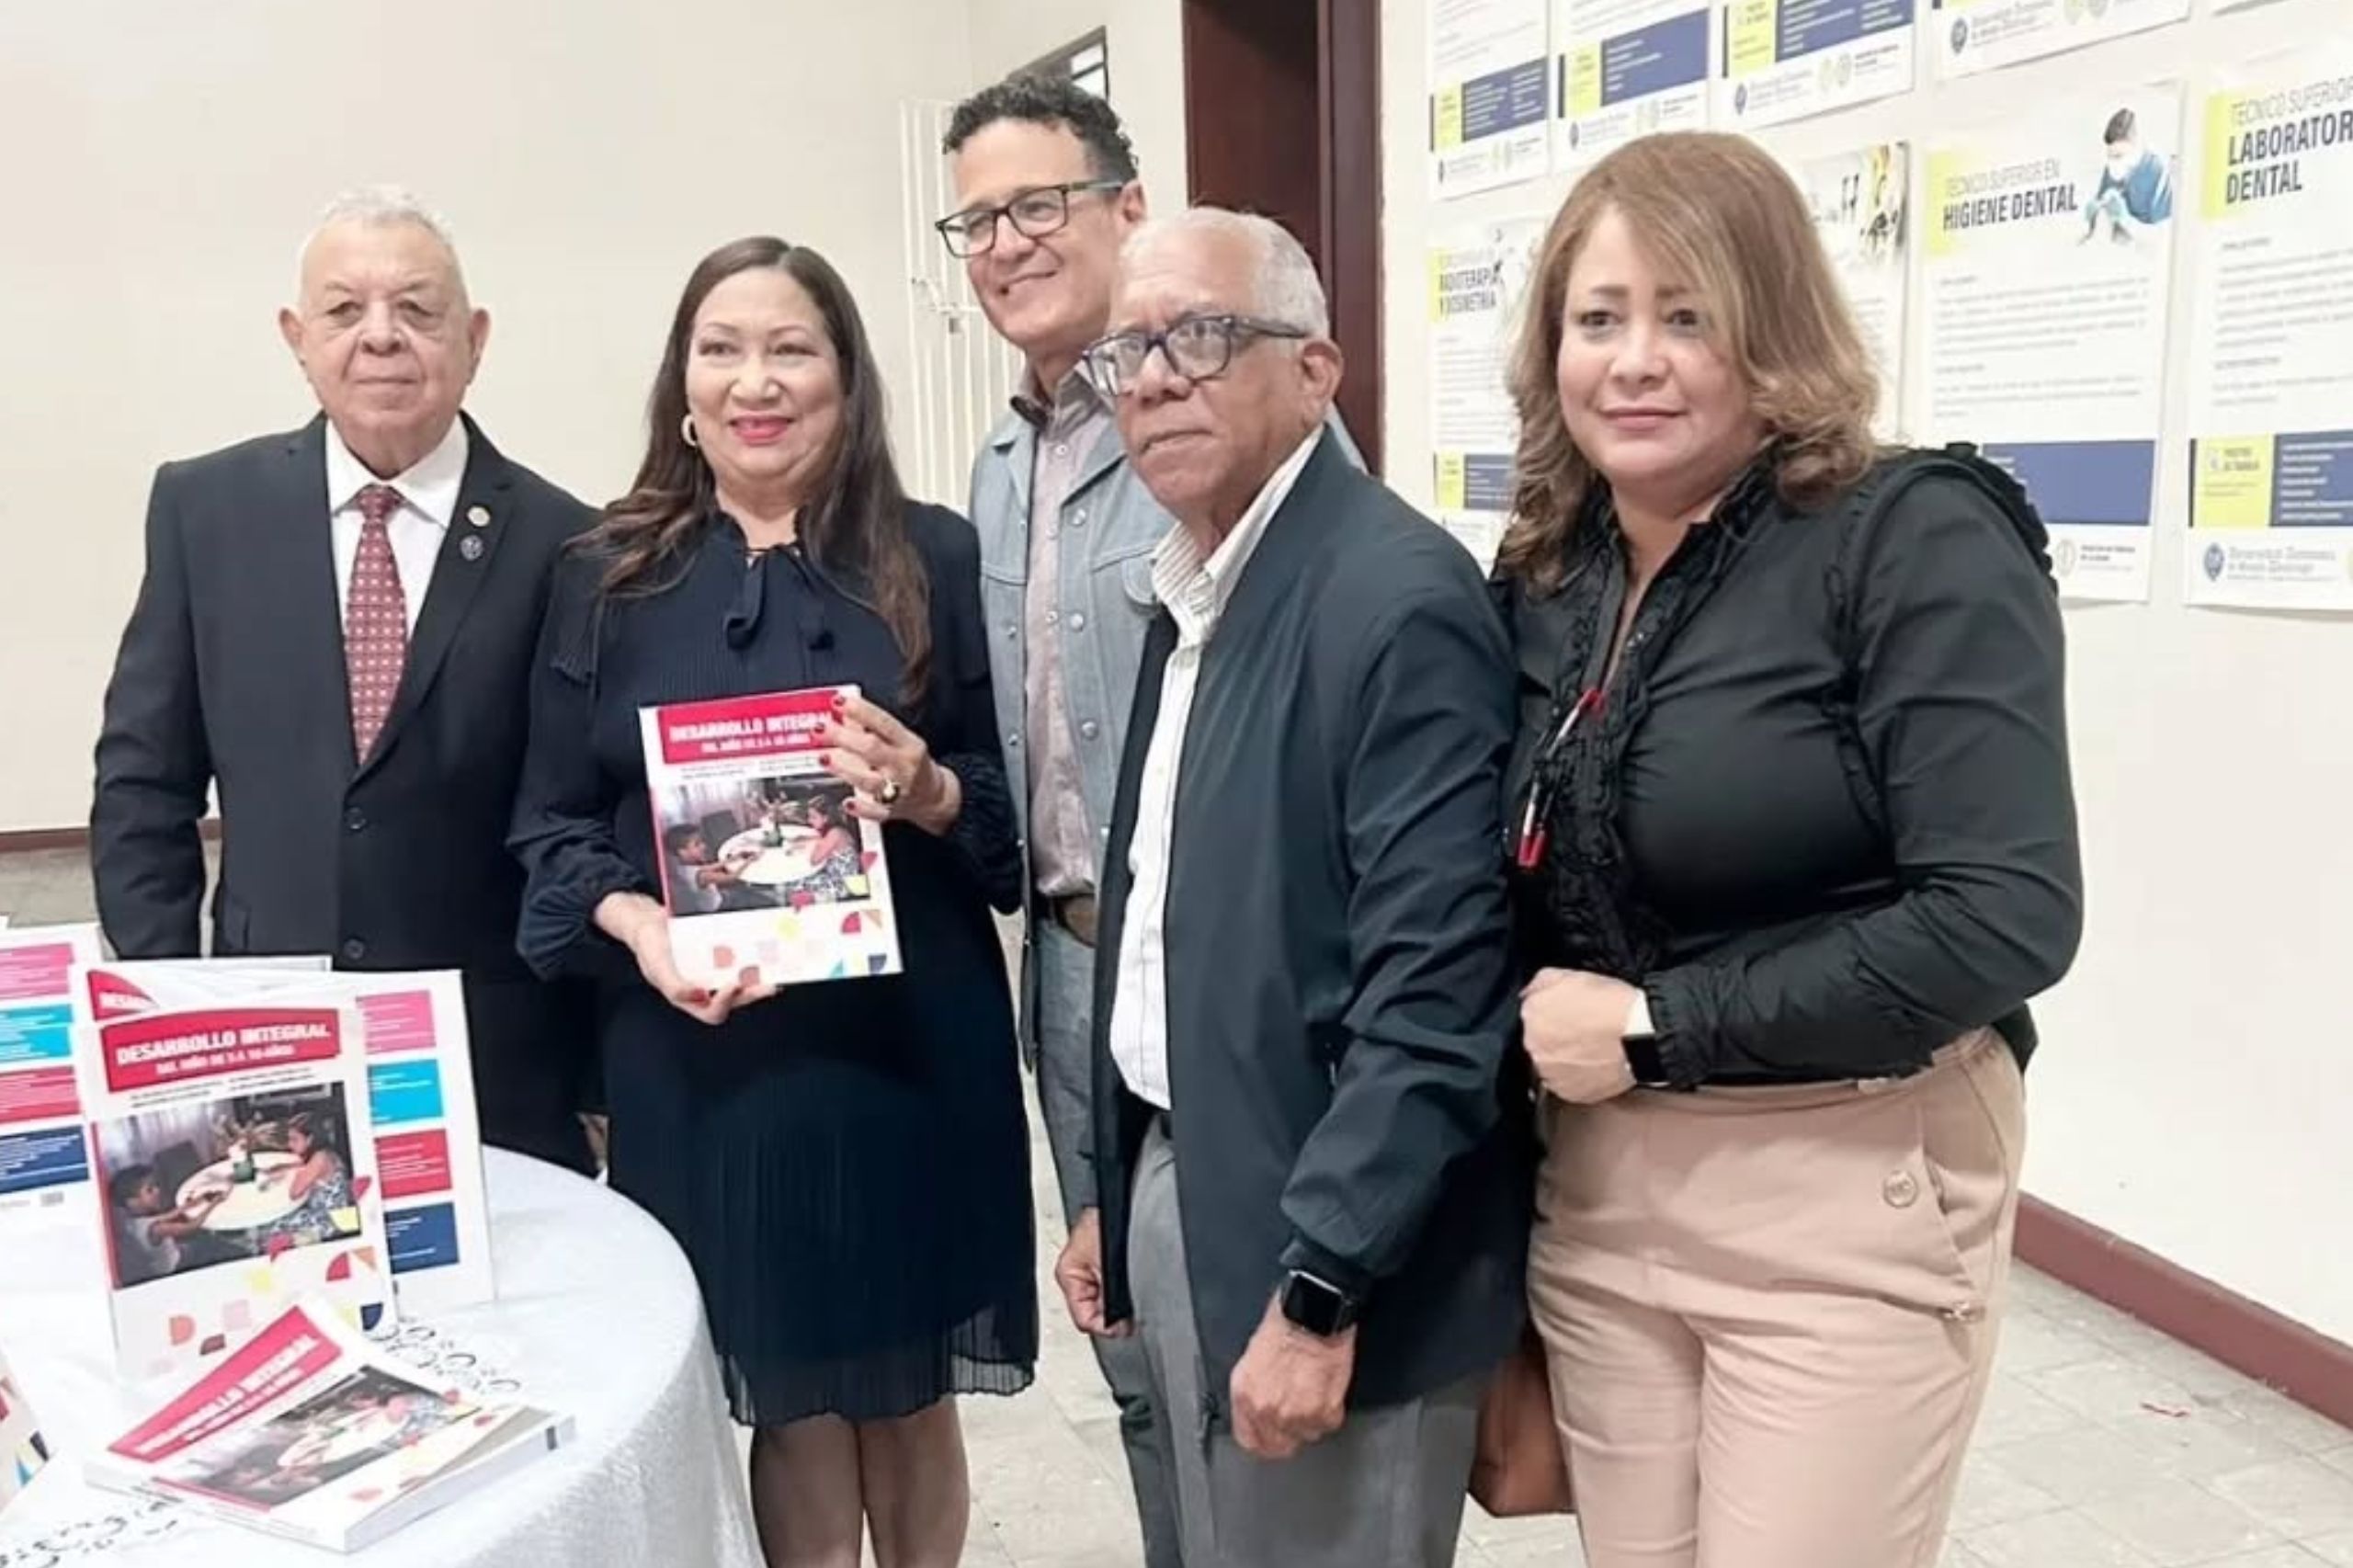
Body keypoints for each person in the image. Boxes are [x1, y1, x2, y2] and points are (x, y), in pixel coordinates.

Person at [1490, 131, 2084, 1568]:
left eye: (1688, 315)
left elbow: (2006, 912)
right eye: (1599, 318)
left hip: (1842, 1184)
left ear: (1775, 326)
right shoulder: (1544, 570)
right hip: (1601, 1190)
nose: (1635, 359)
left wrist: (1652, 1024)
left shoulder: (1906, 534)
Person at [507, 236, 1036, 1568]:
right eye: (721, 348)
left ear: (847, 380)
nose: (757, 379)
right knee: (790, 1399)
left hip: (913, 1042)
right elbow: (551, 825)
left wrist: (926, 791)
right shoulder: (607, 575)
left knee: (914, 1390)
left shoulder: (935, 554)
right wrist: (643, 928)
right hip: (711, 1051)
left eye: (791, 347)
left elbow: (1014, 827)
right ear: (680, 387)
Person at [1055, 207, 1528, 1568]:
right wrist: (1112, 1172)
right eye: (1124, 353)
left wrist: (1319, 1291)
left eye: (1197, 336)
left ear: (1316, 370)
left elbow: (1434, 999)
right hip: (1187, 1166)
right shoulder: (1197, 584)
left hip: (1327, 1232)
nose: (1150, 380)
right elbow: (1158, 924)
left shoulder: (1393, 601)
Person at [90, 187, 600, 1174]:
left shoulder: (566, 540)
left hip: (495, 1060)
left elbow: (582, 816)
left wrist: (590, 1078)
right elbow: (143, 781)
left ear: (475, 335)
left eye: (417, 308)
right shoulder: (206, 510)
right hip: (263, 1046)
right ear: (296, 335)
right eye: (344, 310)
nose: (381, 338)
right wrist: (173, 1010)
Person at [936, 73, 1176, 1565]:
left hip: (1215, 970)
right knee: (1134, 1353)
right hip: (1069, 970)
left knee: (1255, 1357)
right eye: (980, 217)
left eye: (1042, 204)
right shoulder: (1000, 470)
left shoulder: (1211, 409)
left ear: (1128, 210)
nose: (1009, 241)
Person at [2084, 108, 2173, 243]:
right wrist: (2094, 216)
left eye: (2119, 156)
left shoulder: (2155, 170)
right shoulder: (2112, 168)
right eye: (2110, 156)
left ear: (2136, 148)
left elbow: (2163, 235)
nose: (2113, 162)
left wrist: (2127, 223)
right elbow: (2102, 200)